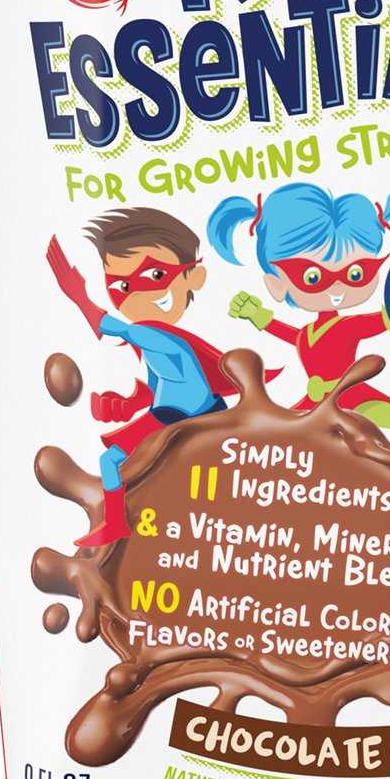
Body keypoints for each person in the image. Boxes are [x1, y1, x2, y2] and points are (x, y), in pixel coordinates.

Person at [45, 206, 240, 548]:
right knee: (139, 465)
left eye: (155, 276)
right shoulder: (155, 340)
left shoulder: (156, 336)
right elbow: (159, 385)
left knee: (113, 461)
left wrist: (78, 295)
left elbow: (108, 326)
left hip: (188, 416)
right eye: (121, 286)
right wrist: (130, 404)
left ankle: (117, 524)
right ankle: (131, 522)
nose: (136, 294)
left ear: (193, 276)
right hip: (181, 412)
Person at [206, 182, 390, 432]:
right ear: (277, 284)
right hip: (317, 402)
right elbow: (292, 335)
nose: (336, 288)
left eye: (357, 273)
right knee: (281, 430)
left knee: (379, 414)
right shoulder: (307, 333)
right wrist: (258, 317)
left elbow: (385, 320)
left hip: (349, 395)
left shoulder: (349, 326)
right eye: (312, 277)